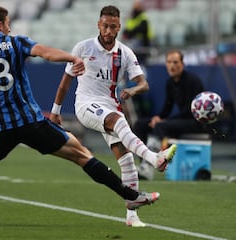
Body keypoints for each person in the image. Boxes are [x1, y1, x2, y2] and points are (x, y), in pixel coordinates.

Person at [0, 5, 162, 236]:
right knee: (82, 154)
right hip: (30, 123)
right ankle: (132, 196)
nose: (10, 25)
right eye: (8, 21)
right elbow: (46, 52)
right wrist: (72, 58)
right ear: (2, 25)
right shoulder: (15, 43)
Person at [49, 5, 177, 227]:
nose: (108, 30)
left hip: (111, 106)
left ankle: (132, 216)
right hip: (86, 105)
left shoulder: (125, 53)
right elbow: (65, 83)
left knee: (126, 161)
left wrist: (133, 90)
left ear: (119, 27)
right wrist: (55, 112)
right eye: (105, 26)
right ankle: (153, 158)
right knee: (119, 122)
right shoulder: (83, 48)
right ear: (98, 25)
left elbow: (143, 83)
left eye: (113, 27)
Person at [133, 49, 205, 180]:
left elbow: (190, 111)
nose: (172, 65)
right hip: (179, 122)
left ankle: (148, 167)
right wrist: (158, 117)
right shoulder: (170, 82)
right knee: (140, 125)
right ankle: (144, 164)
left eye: (175, 62)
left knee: (160, 126)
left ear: (182, 64)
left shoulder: (192, 80)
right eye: (169, 62)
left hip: (195, 123)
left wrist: (163, 122)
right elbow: (167, 107)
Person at [122, 0, 153, 66]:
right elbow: (126, 29)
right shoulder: (131, 17)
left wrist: (130, 33)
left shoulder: (143, 17)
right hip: (133, 40)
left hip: (142, 41)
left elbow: (141, 29)